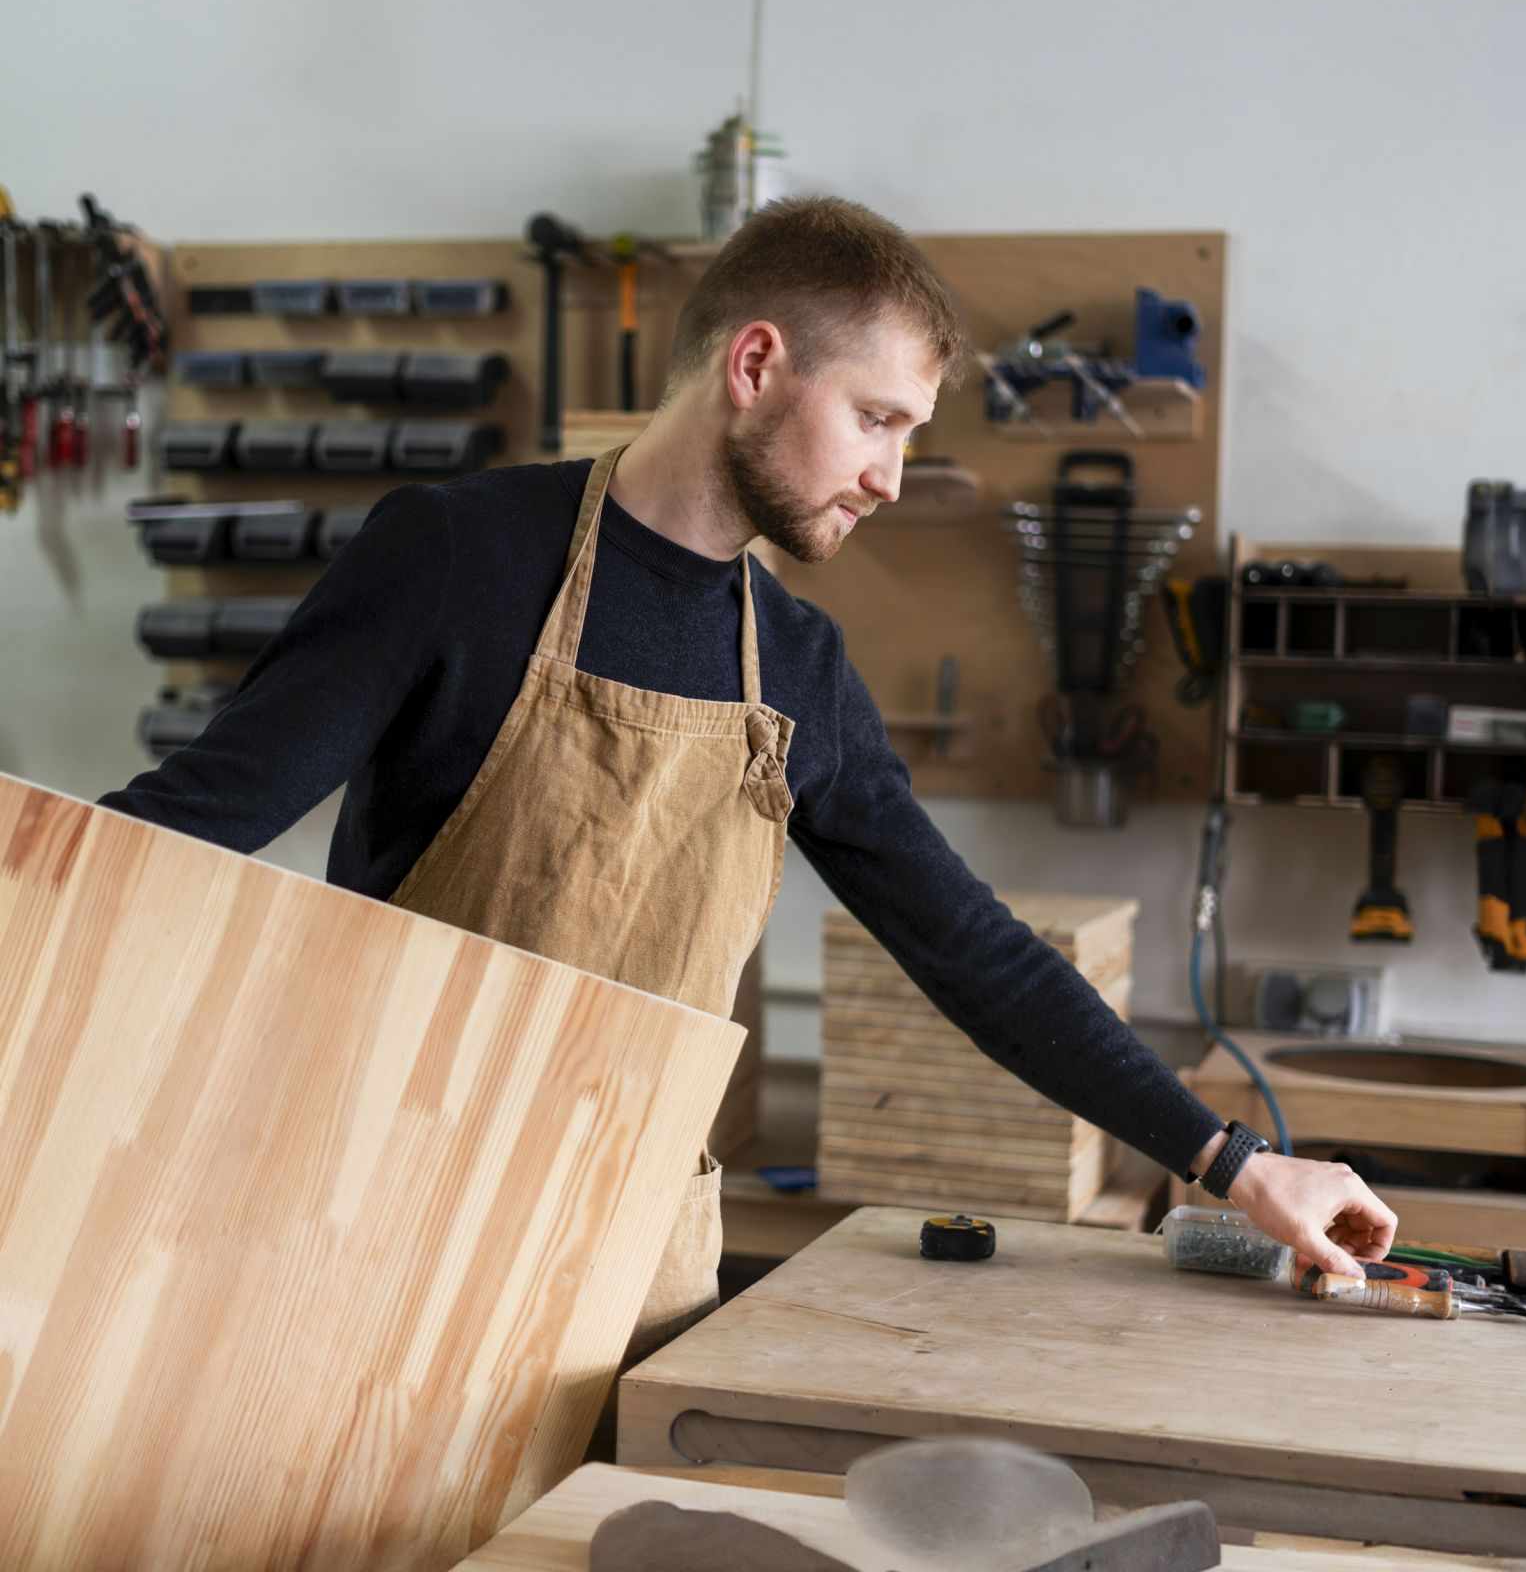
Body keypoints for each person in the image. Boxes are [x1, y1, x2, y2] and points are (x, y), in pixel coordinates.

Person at [101, 196, 1395, 1370]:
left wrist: (1234, 1162)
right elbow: (191, 825)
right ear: (757, 364)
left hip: (630, 1285)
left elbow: (973, 951)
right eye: (878, 419)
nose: (891, 475)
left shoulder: (801, 669)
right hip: (383, 1251)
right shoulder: (458, 559)